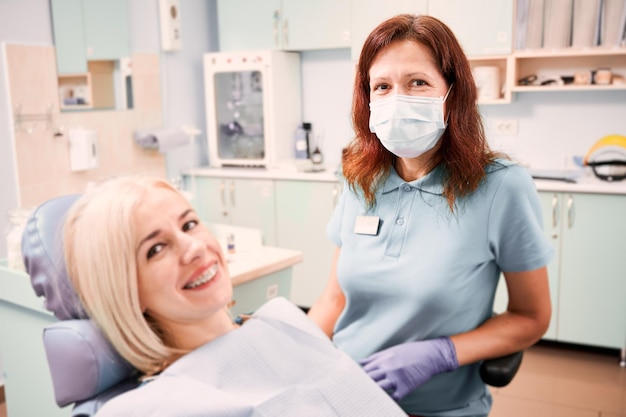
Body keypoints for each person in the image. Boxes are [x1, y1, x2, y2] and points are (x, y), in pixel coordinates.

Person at [307, 14, 553, 417]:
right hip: (346, 395)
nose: (396, 99)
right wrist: (298, 354)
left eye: (417, 82)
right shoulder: (358, 178)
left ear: (452, 93)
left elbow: (531, 316)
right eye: (382, 87)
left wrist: (441, 354)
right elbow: (335, 298)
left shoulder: (501, 187)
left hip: (439, 407)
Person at [63, 174, 407, 416]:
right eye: (155, 249)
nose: (194, 248)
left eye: (189, 225)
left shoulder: (281, 323)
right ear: (125, 291)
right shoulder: (152, 407)